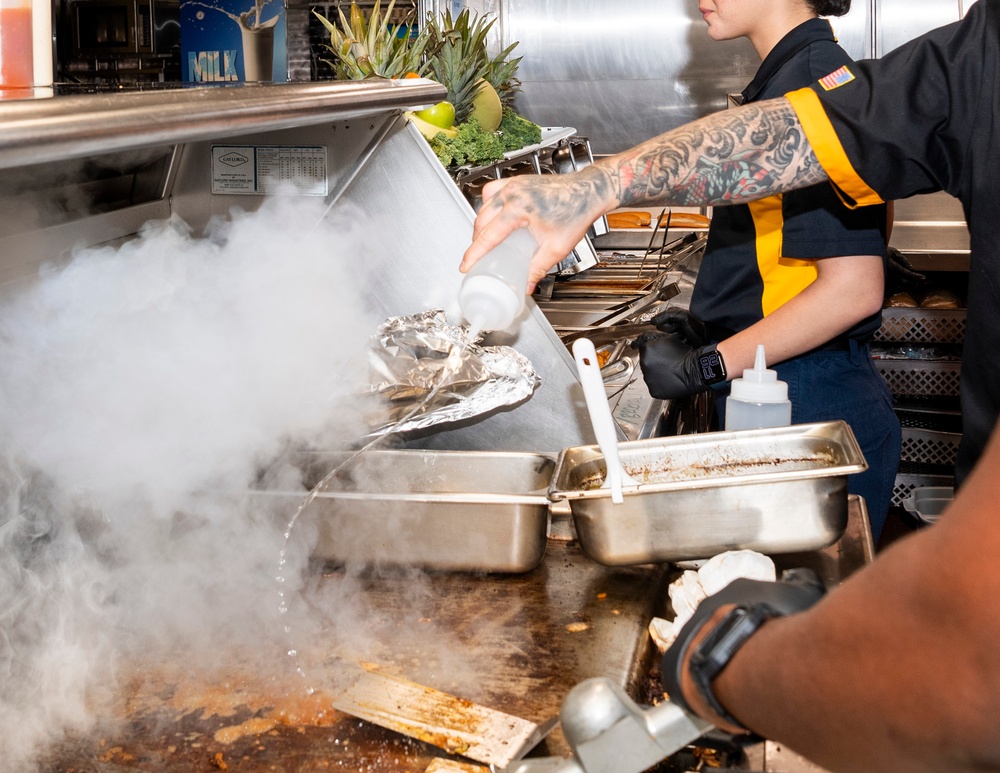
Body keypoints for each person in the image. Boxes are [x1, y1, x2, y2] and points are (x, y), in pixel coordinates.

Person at [460, 1, 1000, 768]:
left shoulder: (816, 67)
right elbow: (811, 136)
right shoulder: (973, 52)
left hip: (809, 398)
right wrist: (590, 189)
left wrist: (727, 663)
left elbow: (956, 667)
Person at [637, 0, 900, 540]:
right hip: (785, 379)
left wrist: (706, 366)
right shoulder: (802, 72)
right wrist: (723, 323)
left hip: (804, 399)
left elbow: (853, 290)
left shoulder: (807, 88)